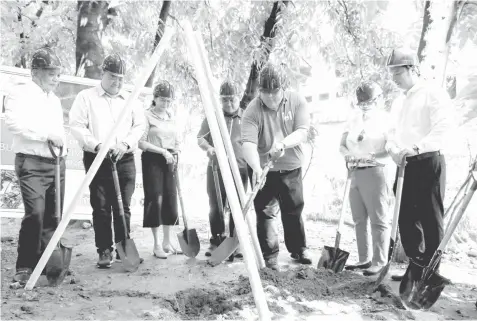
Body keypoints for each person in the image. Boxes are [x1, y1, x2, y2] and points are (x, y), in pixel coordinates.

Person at [69, 53, 145, 268]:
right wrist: (97, 145)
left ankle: (124, 247)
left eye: (121, 78)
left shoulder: (132, 100)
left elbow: (139, 126)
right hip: (97, 157)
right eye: (112, 76)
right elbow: (76, 125)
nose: (117, 82)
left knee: (124, 206)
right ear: (103, 73)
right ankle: (104, 250)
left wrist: (126, 144)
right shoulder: (86, 97)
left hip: (124, 157)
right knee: (101, 207)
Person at [385, 48, 454, 281]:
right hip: (405, 165)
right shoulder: (398, 102)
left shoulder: (433, 93)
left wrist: (416, 147)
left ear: (412, 69)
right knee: (404, 218)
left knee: (430, 217)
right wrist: (393, 150)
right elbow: (392, 133)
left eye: (398, 73)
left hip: (428, 161)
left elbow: (444, 127)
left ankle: (431, 272)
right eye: (391, 74)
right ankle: (415, 267)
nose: (393, 79)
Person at [241, 63, 312, 271]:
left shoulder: (297, 101)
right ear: (259, 90)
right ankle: (269, 255)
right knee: (265, 213)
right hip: (264, 169)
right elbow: (248, 144)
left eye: (275, 92)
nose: (270, 98)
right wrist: (255, 167)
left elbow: (302, 131)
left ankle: (299, 248)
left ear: (284, 88)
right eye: (265, 93)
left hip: (291, 167)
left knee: (293, 210)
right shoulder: (252, 111)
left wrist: (283, 144)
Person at [4, 47, 66, 282]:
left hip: (56, 162)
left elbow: (60, 133)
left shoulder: (55, 100)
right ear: (35, 72)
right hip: (31, 163)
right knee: (35, 214)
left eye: (57, 74)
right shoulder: (20, 94)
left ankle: (49, 264)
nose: (56, 78)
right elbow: (13, 124)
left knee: (53, 217)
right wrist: (46, 135)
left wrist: (62, 152)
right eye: (51, 73)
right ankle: (24, 267)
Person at [339, 82, 393, 276]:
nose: (364, 106)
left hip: (375, 171)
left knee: (378, 219)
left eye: (368, 102)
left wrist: (372, 156)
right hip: (354, 171)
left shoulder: (386, 120)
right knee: (359, 218)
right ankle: (364, 259)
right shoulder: (353, 119)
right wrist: (347, 154)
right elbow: (342, 144)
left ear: (378, 100)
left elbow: (390, 149)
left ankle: (379, 261)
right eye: (361, 102)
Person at [197, 80, 249, 258]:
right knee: (216, 205)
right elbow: (200, 139)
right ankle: (217, 241)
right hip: (216, 169)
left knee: (238, 207)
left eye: (232, 99)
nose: (228, 103)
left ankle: (236, 241)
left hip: (240, 169)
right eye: (224, 100)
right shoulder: (213, 117)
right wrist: (209, 148)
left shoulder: (246, 117)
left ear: (238, 98)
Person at [139, 80, 183, 258]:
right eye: (163, 100)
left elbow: (177, 138)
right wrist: (162, 151)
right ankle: (156, 244)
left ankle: (167, 241)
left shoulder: (171, 117)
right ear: (155, 98)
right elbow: (141, 142)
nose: (166, 104)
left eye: (169, 101)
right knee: (155, 200)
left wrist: (177, 151)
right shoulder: (146, 116)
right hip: (153, 160)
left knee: (170, 201)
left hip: (170, 159)